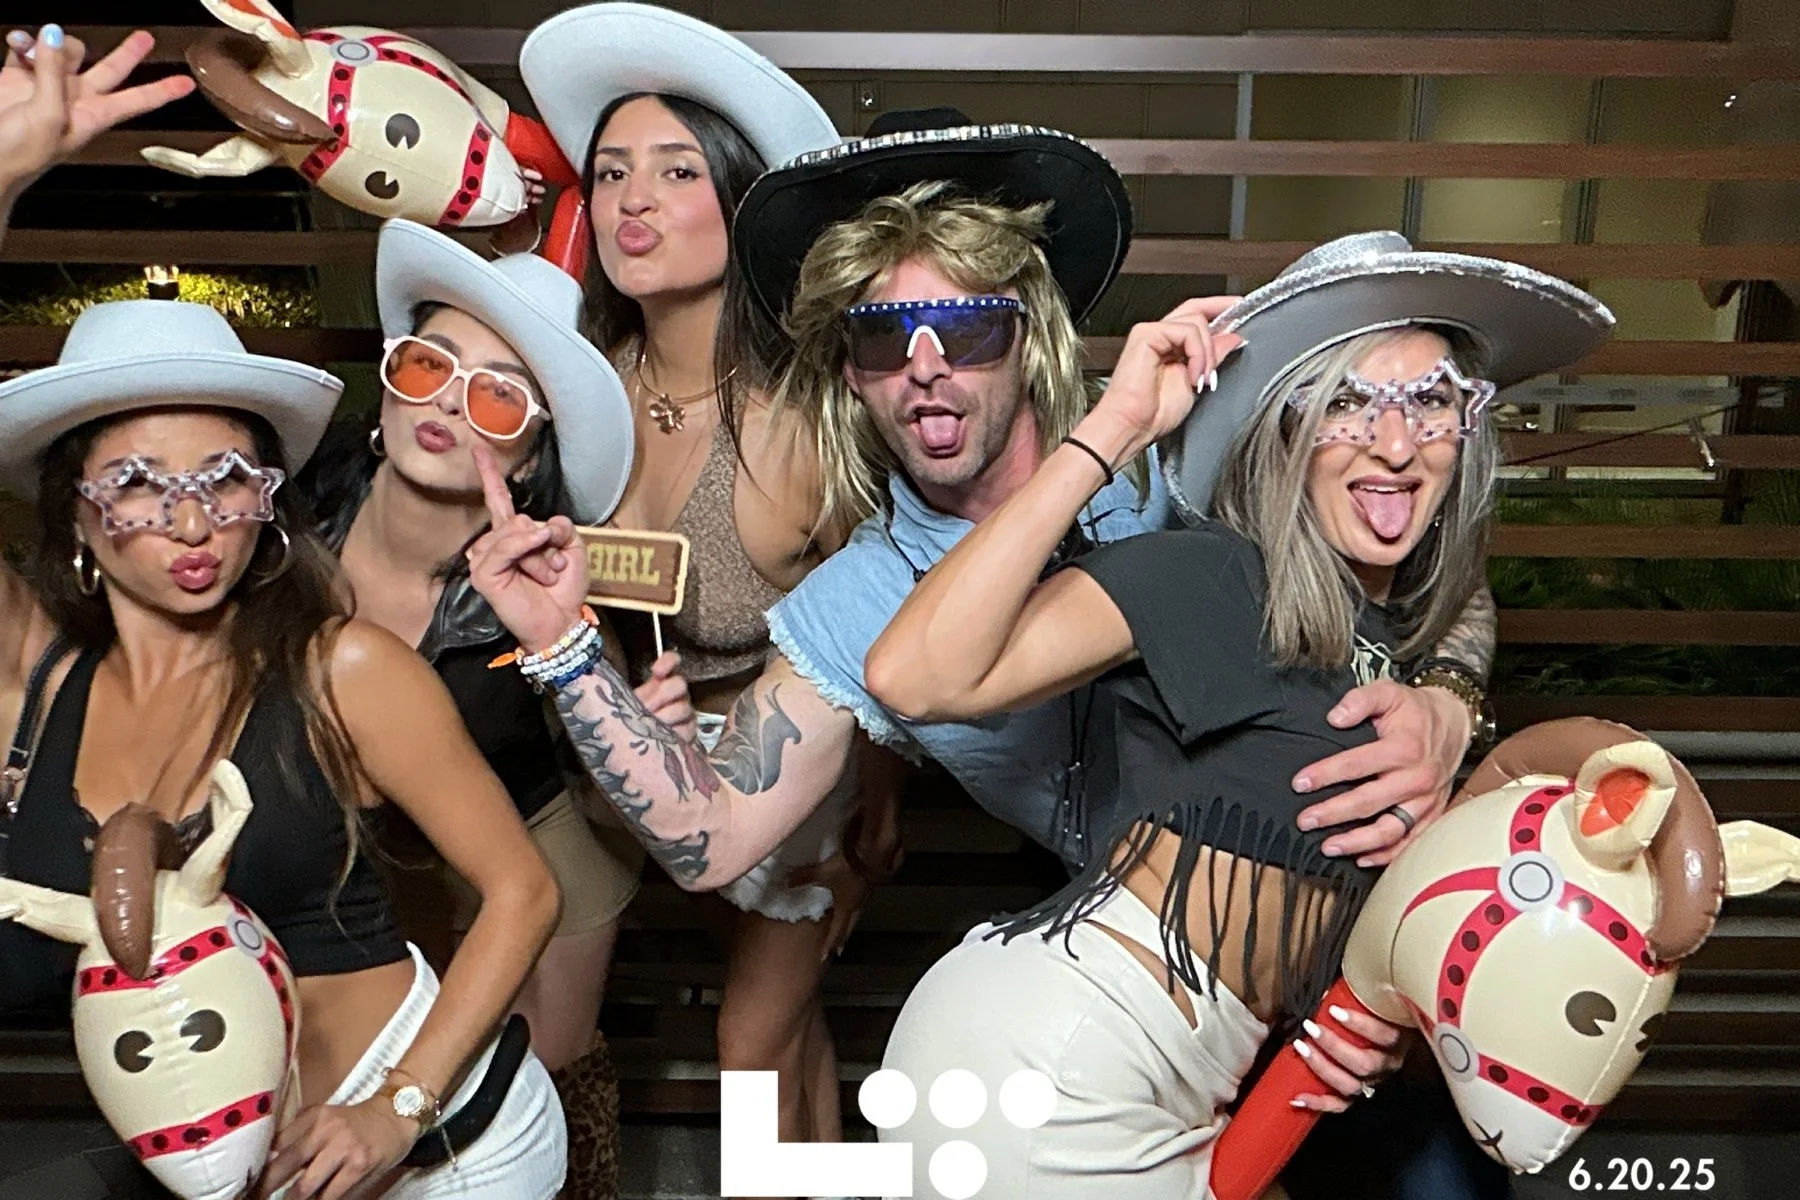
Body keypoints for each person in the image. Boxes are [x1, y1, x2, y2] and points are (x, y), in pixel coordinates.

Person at [464, 111, 1498, 1174]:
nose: (925, 369)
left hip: (1373, 942)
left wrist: (1449, 699)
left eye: (965, 328)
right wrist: (566, 647)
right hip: (1141, 1004)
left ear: (1030, 334)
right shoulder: (866, 597)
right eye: (881, 338)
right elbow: (712, 837)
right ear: (851, 376)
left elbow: (1432, 552)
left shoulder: (1173, 449)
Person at [862, 232, 1614, 1196]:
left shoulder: (1398, 633)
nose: (1394, 443)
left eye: (1429, 401)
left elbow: (1460, 608)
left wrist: (1455, 706)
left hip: (1189, 1086)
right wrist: (1117, 426)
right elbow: (913, 674)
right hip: (1057, 1060)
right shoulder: (1212, 576)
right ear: (1282, 430)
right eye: (1347, 402)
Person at [0, 30, 566, 1197]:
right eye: (143, 485)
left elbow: (525, 891)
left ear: (268, 504)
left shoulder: (340, 668)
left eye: (226, 481)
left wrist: (397, 1114)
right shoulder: (34, 681)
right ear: (75, 516)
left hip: (438, 1150)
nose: (192, 521)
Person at [515, 3, 905, 1161]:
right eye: (613, 173)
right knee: (765, 1035)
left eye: (676, 171)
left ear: (739, 204)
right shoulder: (567, 385)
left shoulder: (812, 420)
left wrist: (875, 797)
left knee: (748, 1046)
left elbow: (878, 621)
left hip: (791, 774)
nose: (632, 201)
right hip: (606, 752)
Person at [300, 217, 697, 1188]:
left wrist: (637, 719)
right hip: (332, 851)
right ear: (387, 388)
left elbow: (632, 771)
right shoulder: (288, 527)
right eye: (429, 364)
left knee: (529, 1096)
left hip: (524, 840)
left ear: (530, 455)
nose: (450, 404)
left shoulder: (553, 593)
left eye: (498, 392)